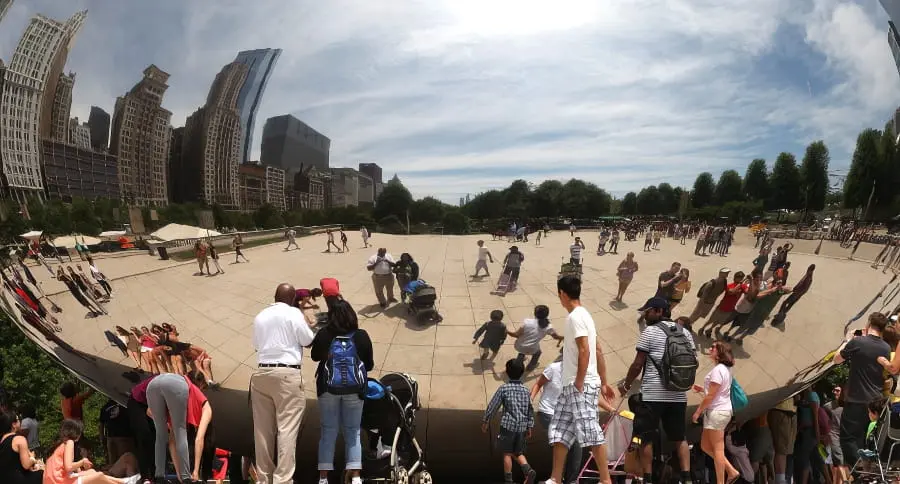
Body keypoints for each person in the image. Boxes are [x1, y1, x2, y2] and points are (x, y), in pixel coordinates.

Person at [541, 275, 614, 484]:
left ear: (562, 294)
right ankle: (555, 478)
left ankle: (605, 480)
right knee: (560, 430)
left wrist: (580, 382)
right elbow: (597, 348)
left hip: (579, 384)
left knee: (590, 430)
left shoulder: (576, 317)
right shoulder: (584, 316)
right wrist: (605, 381)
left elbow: (585, 350)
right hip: (572, 384)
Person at [620, 297, 696, 484]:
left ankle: (647, 477)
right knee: (680, 437)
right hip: (678, 395)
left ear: (660, 311)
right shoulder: (684, 332)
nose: (646, 314)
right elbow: (693, 360)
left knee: (646, 438)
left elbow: (638, 364)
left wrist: (626, 384)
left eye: (649, 311)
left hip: (653, 394)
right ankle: (687, 478)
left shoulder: (650, 332)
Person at [250, 283, 315, 484]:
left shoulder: (260, 316)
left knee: (262, 432)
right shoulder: (293, 313)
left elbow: (257, 345)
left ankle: (263, 479)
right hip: (286, 374)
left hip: (262, 373)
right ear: (292, 298)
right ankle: (283, 480)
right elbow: (307, 340)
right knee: (286, 430)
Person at [310, 299, 374, 484]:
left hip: (327, 388)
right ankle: (355, 476)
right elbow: (369, 365)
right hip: (355, 390)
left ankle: (323, 478)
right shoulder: (361, 336)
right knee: (353, 432)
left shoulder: (324, 334)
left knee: (328, 431)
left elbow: (314, 357)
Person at [832, 313, 891, 480]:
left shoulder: (857, 342)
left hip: (857, 400)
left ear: (869, 323)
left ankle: (863, 475)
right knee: (867, 442)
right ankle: (869, 475)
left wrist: (846, 340)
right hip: (876, 401)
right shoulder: (886, 348)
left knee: (848, 439)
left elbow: (836, 359)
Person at [145, 373, 211, 483]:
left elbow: (171, 442)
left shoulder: (176, 407)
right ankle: (186, 477)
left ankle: (159, 476)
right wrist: (195, 470)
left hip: (152, 384)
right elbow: (199, 440)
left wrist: (177, 471)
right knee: (181, 432)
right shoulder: (206, 407)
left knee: (161, 435)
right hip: (174, 386)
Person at [691, 341, 740, 484]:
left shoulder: (718, 370)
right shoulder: (724, 369)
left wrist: (698, 411)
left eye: (713, 347)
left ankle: (721, 481)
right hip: (718, 411)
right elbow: (716, 392)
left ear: (719, 353)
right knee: (705, 446)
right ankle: (731, 471)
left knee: (718, 449)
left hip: (717, 413)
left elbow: (711, 396)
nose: (710, 349)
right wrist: (703, 390)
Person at [483, 359, 536, 484]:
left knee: (507, 453)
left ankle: (509, 480)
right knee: (518, 452)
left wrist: (486, 421)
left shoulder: (504, 388)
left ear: (507, 372)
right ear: (522, 372)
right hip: (522, 427)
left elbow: (493, 405)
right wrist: (529, 426)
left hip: (508, 426)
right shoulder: (526, 390)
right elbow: (530, 409)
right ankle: (528, 470)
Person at [531, 357, 582, 484]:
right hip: (548, 412)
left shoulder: (581, 373)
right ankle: (556, 478)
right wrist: (530, 400)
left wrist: (610, 409)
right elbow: (538, 384)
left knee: (577, 444)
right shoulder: (553, 368)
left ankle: (571, 480)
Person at [44, 419, 138, 484]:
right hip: (60, 481)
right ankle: (124, 482)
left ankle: (126, 481)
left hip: (54, 481)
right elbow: (68, 467)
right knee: (99, 476)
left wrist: (80, 466)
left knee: (92, 472)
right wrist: (82, 461)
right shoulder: (70, 442)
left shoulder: (60, 445)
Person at [507, 305, 563, 371]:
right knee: (538, 353)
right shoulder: (548, 327)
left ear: (535, 314)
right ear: (547, 315)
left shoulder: (527, 322)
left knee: (522, 351)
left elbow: (516, 335)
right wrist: (563, 337)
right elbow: (556, 337)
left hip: (519, 346)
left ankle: (519, 361)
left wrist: (507, 331)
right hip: (532, 348)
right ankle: (531, 366)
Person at [0, 410, 41, 484]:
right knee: (42, 474)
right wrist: (32, 458)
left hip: (3, 479)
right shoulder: (20, 439)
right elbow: (26, 465)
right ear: (13, 424)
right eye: (18, 420)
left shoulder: (2, 439)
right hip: (18, 480)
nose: (20, 421)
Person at [99, 399, 133, 468]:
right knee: (117, 461)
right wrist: (102, 436)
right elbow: (101, 423)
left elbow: (101, 424)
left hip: (120, 437)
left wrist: (102, 436)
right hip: (114, 437)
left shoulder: (125, 404)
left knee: (121, 460)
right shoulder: (106, 406)